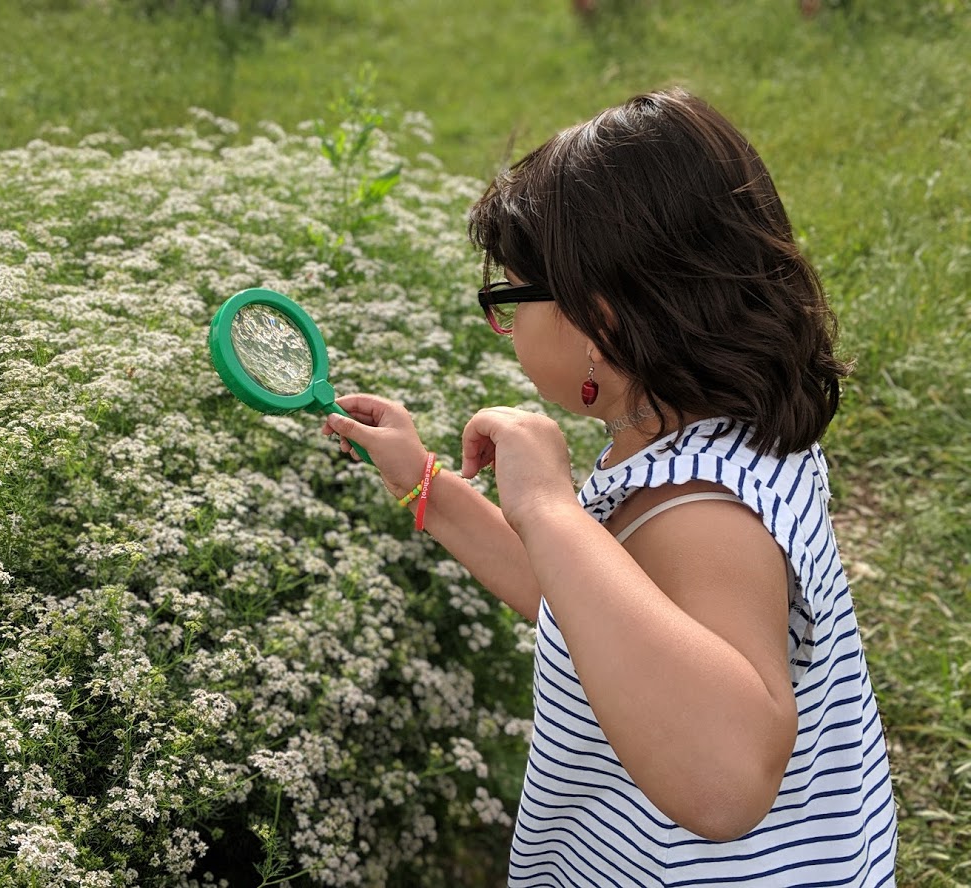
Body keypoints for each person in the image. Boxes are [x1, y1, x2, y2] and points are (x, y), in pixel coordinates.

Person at [322, 88, 898, 886]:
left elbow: (725, 784)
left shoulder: (698, 514)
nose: (505, 324)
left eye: (509, 300)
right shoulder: (724, 427)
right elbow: (596, 608)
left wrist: (548, 508)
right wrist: (431, 488)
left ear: (601, 321)